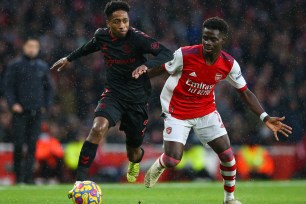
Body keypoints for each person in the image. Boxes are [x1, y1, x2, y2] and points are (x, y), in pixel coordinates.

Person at [133, 17, 292, 204]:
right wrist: (137, 78)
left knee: (227, 155)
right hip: (177, 110)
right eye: (205, 37)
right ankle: (159, 165)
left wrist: (264, 118)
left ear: (222, 40)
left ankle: (229, 199)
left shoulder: (229, 64)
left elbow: (245, 92)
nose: (207, 42)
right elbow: (161, 68)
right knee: (173, 159)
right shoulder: (185, 54)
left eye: (213, 39)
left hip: (205, 111)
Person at [50, 0, 172, 187]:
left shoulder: (138, 38)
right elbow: (89, 46)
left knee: (133, 151)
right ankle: (80, 183)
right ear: (108, 23)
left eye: (125, 20)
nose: (122, 25)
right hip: (114, 94)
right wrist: (69, 58)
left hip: (137, 100)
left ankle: (135, 162)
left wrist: (146, 65)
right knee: (97, 129)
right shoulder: (102, 36)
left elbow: (167, 54)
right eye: (117, 21)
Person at [4, 37, 53, 184]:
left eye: (35, 46)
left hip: (36, 112)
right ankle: (18, 177)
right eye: (30, 46)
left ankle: (29, 178)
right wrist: (13, 104)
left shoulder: (42, 66)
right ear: (24, 47)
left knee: (32, 146)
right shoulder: (15, 65)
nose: (32, 49)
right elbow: (8, 87)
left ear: (38, 48)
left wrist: (46, 105)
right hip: (20, 112)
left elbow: (49, 88)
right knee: (19, 144)